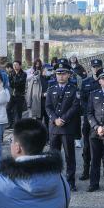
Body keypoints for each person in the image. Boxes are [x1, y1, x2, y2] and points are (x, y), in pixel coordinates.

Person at [45, 60, 81, 191]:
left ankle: (70, 181)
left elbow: (75, 107)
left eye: (64, 73)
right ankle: (54, 181)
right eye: (58, 74)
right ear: (55, 75)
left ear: (69, 75)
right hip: (54, 128)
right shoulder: (51, 89)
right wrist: (55, 119)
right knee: (53, 157)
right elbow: (48, 107)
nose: (61, 76)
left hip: (67, 127)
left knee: (69, 156)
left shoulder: (74, 89)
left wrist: (63, 119)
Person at [77, 59, 101, 180]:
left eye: (98, 67)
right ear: (91, 68)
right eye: (94, 67)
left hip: (100, 119)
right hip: (88, 119)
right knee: (86, 146)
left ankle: (102, 173)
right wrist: (90, 112)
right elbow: (82, 100)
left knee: (101, 147)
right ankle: (86, 170)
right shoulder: (86, 82)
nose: (96, 69)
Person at [7, 60, 28, 127]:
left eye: (16, 65)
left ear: (20, 66)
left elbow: (20, 83)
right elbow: (10, 84)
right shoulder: (11, 73)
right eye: (14, 65)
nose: (15, 66)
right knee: (8, 108)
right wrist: (14, 83)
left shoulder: (24, 74)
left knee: (18, 112)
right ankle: (10, 123)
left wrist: (14, 83)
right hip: (12, 95)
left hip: (20, 95)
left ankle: (18, 126)